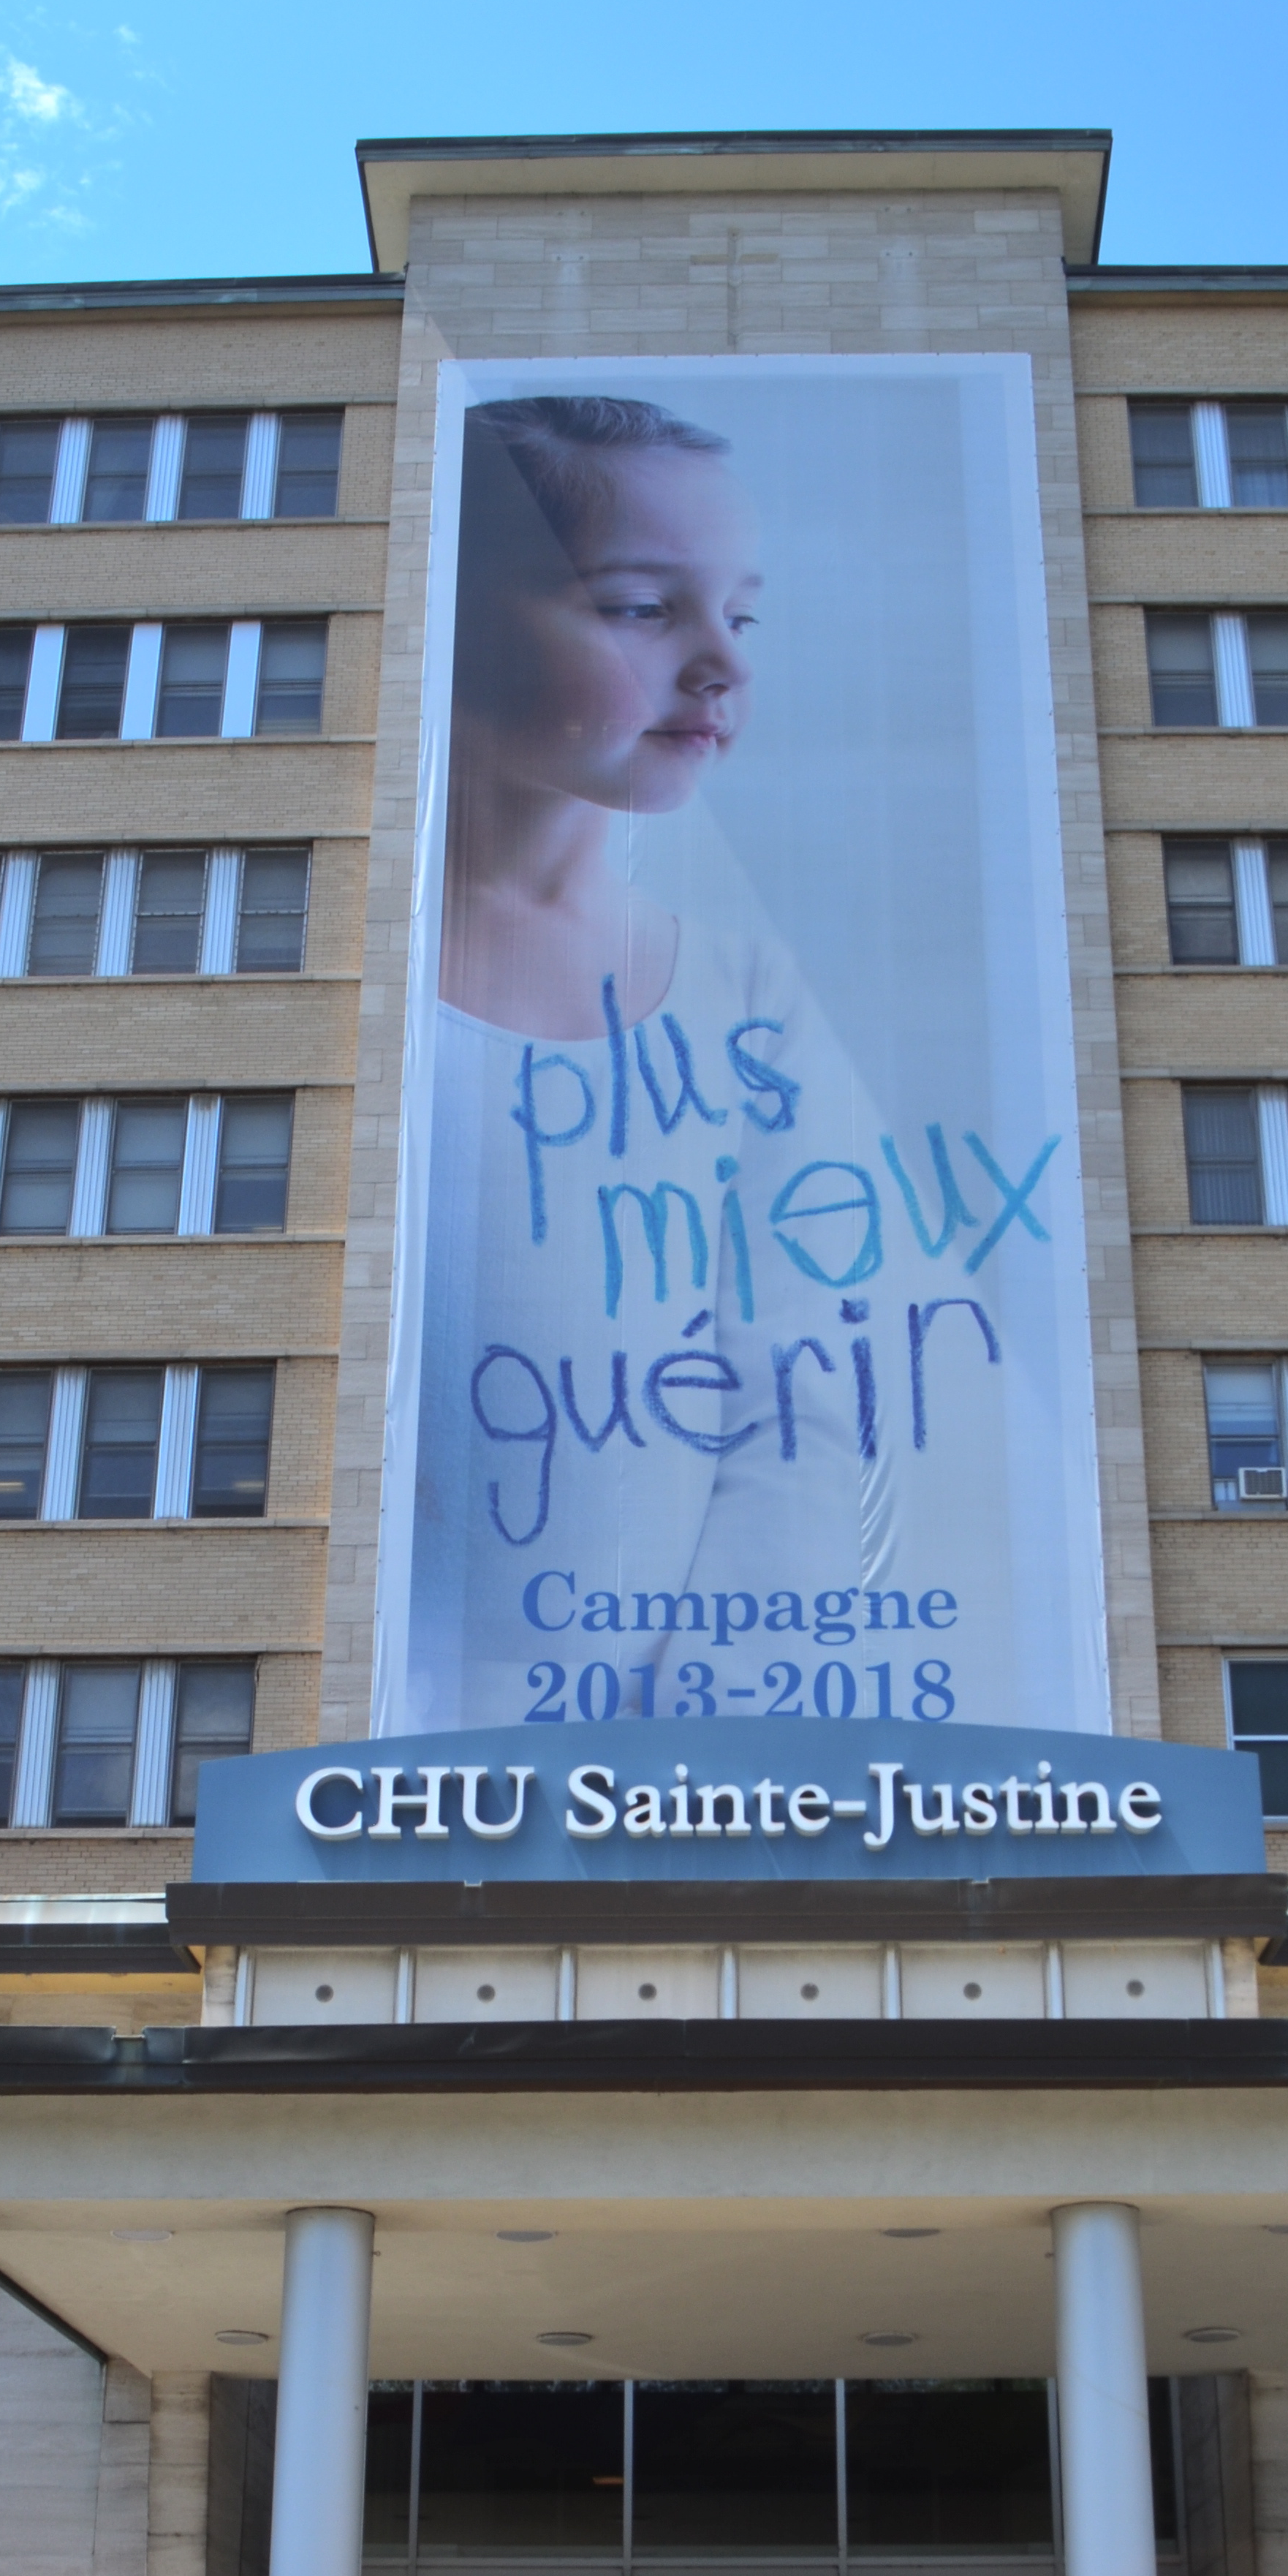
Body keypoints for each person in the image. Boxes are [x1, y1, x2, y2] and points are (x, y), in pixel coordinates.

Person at [401, 390, 890, 1729]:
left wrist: (697, 1750)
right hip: (368, 1765)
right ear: (458, 612)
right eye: (639, 607)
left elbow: (800, 1402)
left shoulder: (747, 996)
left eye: (741, 614)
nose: (720, 661)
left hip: (652, 1767)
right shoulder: (356, 976)